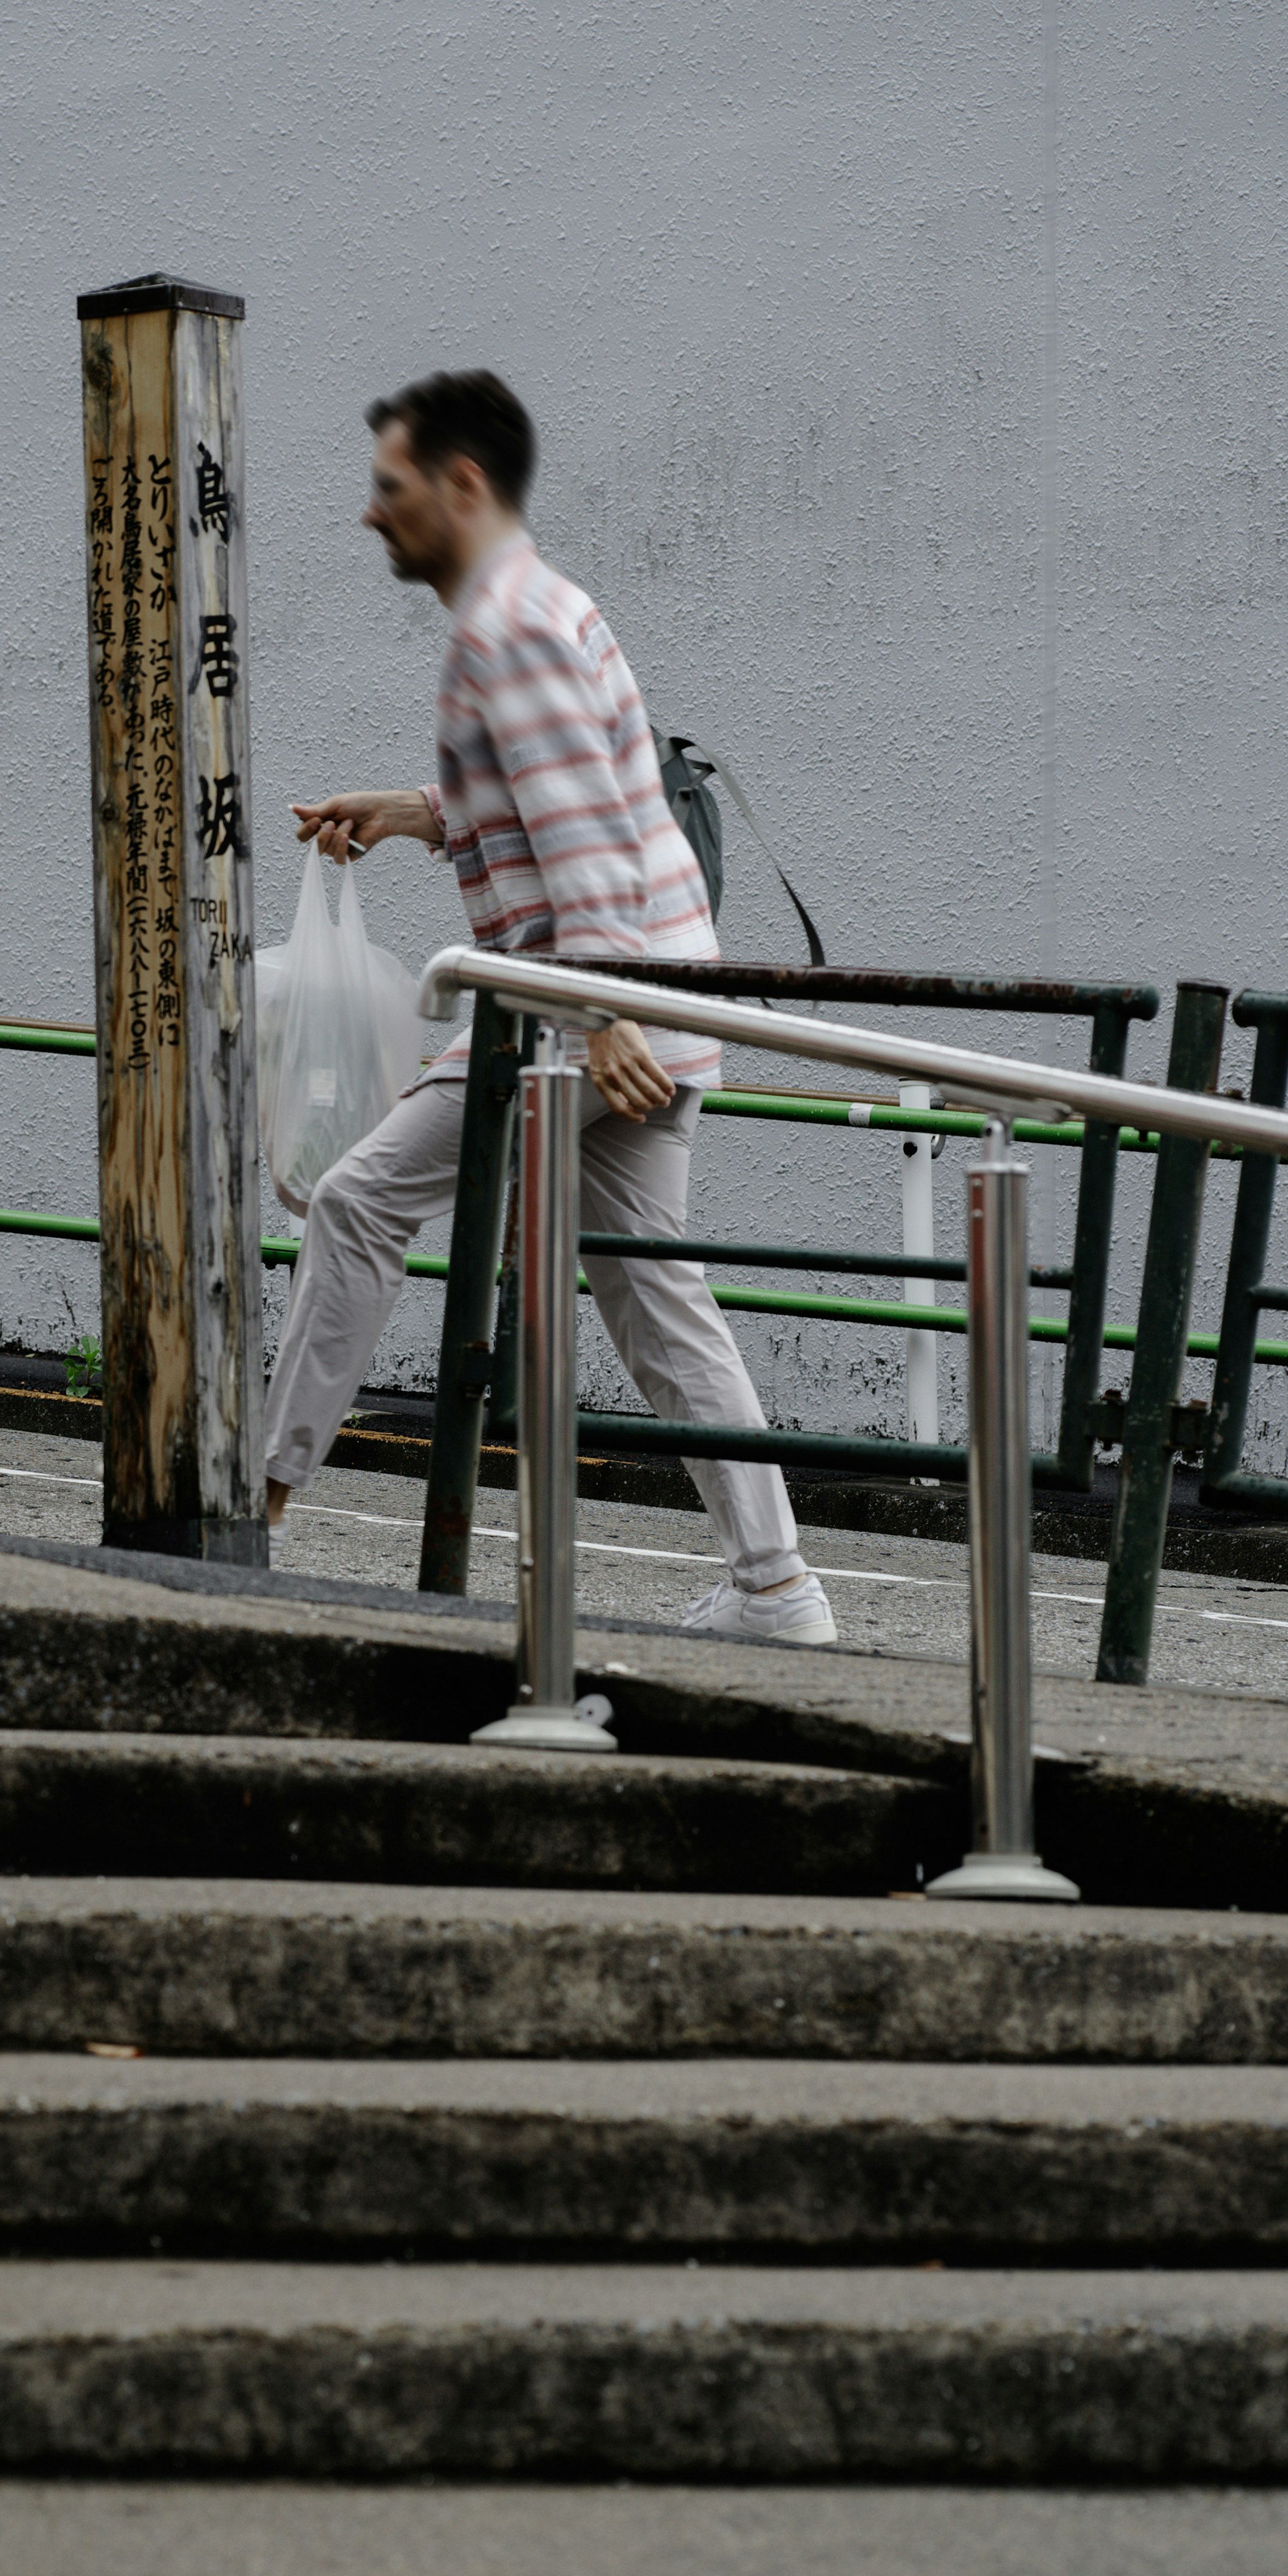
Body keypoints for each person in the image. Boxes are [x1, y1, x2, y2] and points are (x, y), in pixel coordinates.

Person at [264, 368, 835, 1645]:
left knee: (358, 1201)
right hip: (654, 1002)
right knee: (653, 1294)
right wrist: (415, 814)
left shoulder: (499, 632)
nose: (372, 515)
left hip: (570, 1020)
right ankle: (777, 1587)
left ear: (462, 485)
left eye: (391, 487)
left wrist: (594, 1016)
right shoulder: (555, 605)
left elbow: (581, 842)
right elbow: (587, 804)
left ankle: (259, 1500)